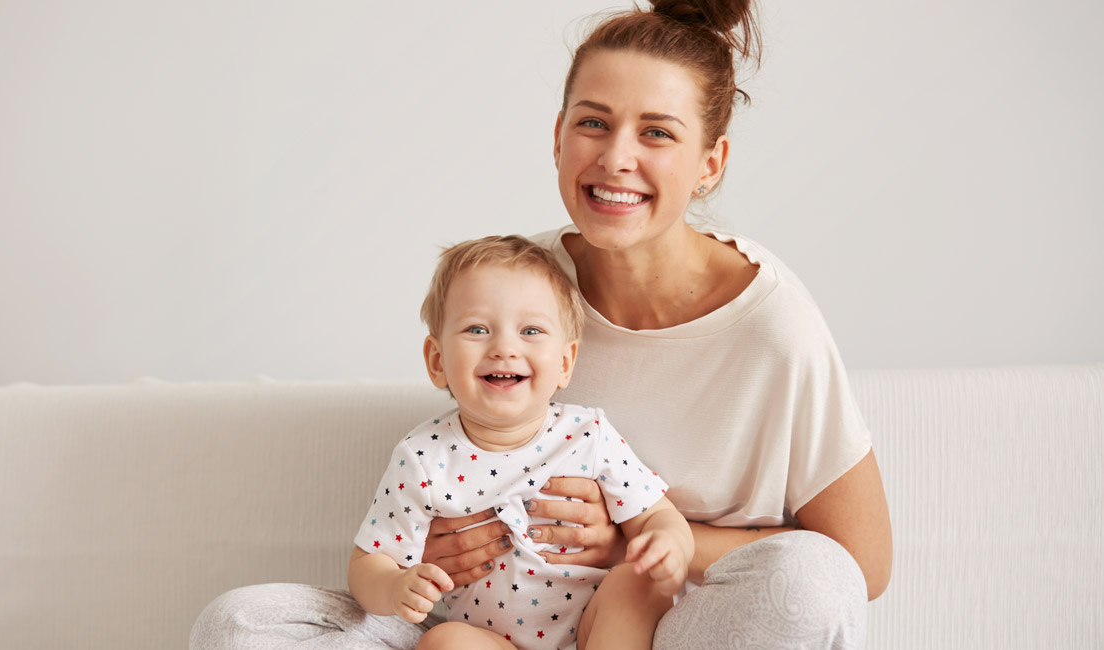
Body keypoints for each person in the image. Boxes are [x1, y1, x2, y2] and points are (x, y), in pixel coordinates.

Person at [191, 1, 892, 648]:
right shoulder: (519, 290)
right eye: (593, 123)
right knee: (239, 627)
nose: (616, 157)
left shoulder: (771, 327)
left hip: (658, 626)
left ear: (711, 164)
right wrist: (422, 562)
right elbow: (428, 508)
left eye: (656, 133)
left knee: (812, 579)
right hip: (475, 625)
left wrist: (629, 542)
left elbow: (861, 564)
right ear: (558, 137)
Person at [348, 235, 694, 650]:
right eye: (477, 329)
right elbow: (368, 563)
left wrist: (669, 544)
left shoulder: (589, 434)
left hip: (594, 627)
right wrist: (394, 586)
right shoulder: (423, 457)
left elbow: (659, 516)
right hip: (492, 641)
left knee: (638, 583)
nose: (504, 348)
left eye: (530, 330)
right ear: (437, 361)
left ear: (565, 362)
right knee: (444, 641)